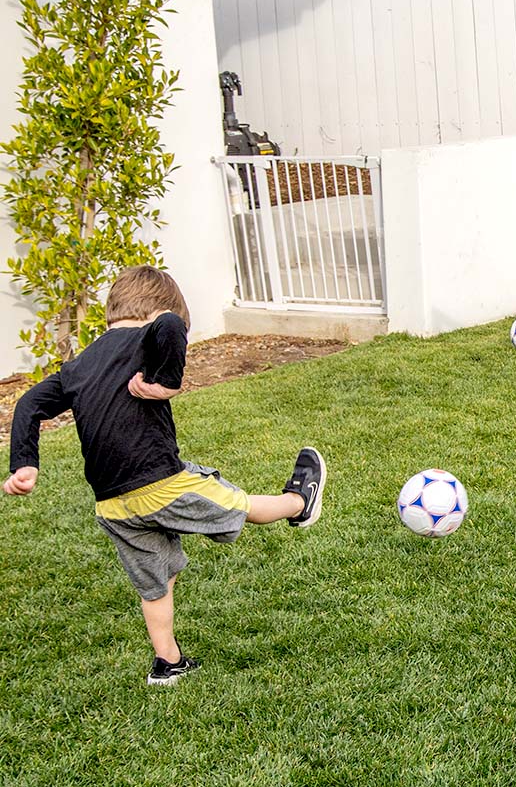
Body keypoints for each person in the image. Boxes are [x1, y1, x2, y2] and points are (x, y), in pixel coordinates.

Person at [4, 265, 327, 683]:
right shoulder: (152, 332)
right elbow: (171, 325)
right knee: (236, 504)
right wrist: (167, 383)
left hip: (113, 507)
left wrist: (25, 463)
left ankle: (168, 664)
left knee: (156, 579)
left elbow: (29, 404)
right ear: (154, 313)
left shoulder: (79, 365)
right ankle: (300, 503)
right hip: (161, 486)